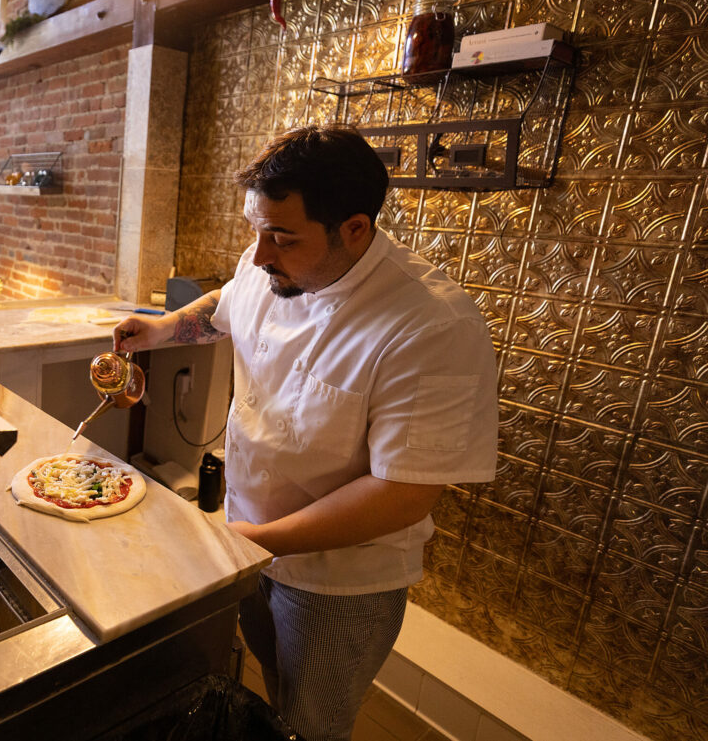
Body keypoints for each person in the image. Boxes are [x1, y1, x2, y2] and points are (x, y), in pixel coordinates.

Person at [114, 125, 498, 740]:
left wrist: (252, 541)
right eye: (256, 231)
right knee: (271, 700)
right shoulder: (274, 262)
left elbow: (403, 493)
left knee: (310, 727)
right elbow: (228, 302)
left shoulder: (431, 325)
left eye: (282, 238)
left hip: (337, 584)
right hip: (252, 543)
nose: (260, 255)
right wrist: (162, 329)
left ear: (355, 229)